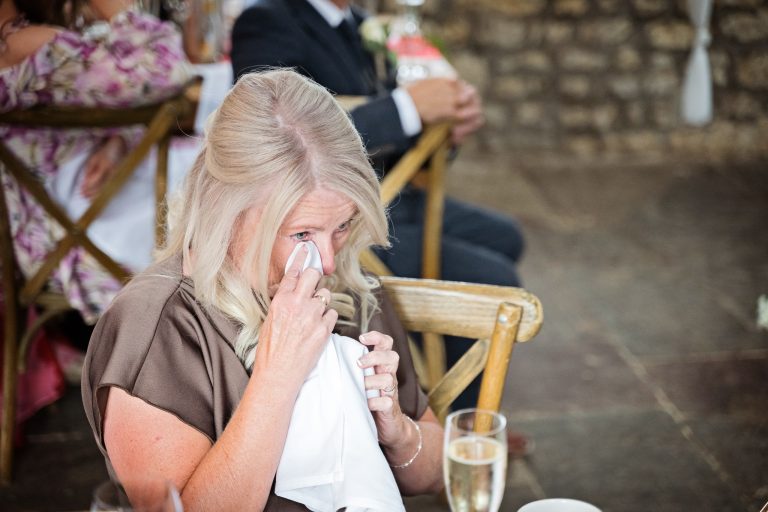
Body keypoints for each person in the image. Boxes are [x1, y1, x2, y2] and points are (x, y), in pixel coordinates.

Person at [81, 69, 443, 510]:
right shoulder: (156, 325)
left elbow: (435, 474)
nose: (328, 261)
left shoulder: (349, 291)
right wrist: (278, 377)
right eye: (302, 233)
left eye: (342, 225)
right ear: (228, 214)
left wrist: (397, 430)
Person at [230, 0, 529, 441]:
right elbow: (266, 137)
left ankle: (432, 376)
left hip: (397, 196)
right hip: (340, 226)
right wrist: (406, 106)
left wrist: (448, 128)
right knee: (494, 277)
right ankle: (467, 432)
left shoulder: (362, 26)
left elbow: (406, 140)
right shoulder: (270, 20)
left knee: (508, 237)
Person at [0, 0, 191, 323]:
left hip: (57, 230)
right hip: (72, 239)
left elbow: (105, 106)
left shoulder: (25, 45)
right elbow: (167, 68)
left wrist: (115, 143)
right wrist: (113, 7)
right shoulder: (29, 46)